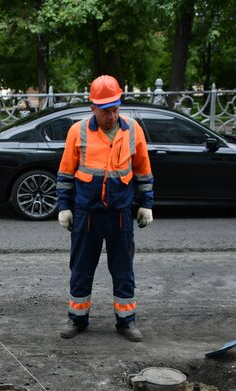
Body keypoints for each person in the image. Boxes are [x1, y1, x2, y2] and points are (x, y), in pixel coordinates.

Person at [56, 75, 155, 342]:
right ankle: (77, 319)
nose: (111, 115)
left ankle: (126, 321)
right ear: (93, 108)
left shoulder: (132, 129)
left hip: (120, 214)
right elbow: (65, 174)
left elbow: (143, 171)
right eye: (105, 110)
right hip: (86, 214)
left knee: (123, 269)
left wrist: (146, 205)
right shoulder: (77, 131)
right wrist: (63, 208)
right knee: (81, 268)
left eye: (115, 108)